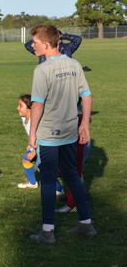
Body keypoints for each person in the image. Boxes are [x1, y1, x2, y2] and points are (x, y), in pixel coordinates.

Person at [27, 24, 96, 244]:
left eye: (35, 42)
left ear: (46, 44)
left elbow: (37, 105)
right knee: (72, 176)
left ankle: (47, 232)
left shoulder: (42, 70)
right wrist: (84, 123)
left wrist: (32, 135)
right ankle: (87, 225)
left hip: (49, 133)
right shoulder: (74, 64)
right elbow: (86, 95)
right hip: (70, 131)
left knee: (47, 180)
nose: (33, 46)